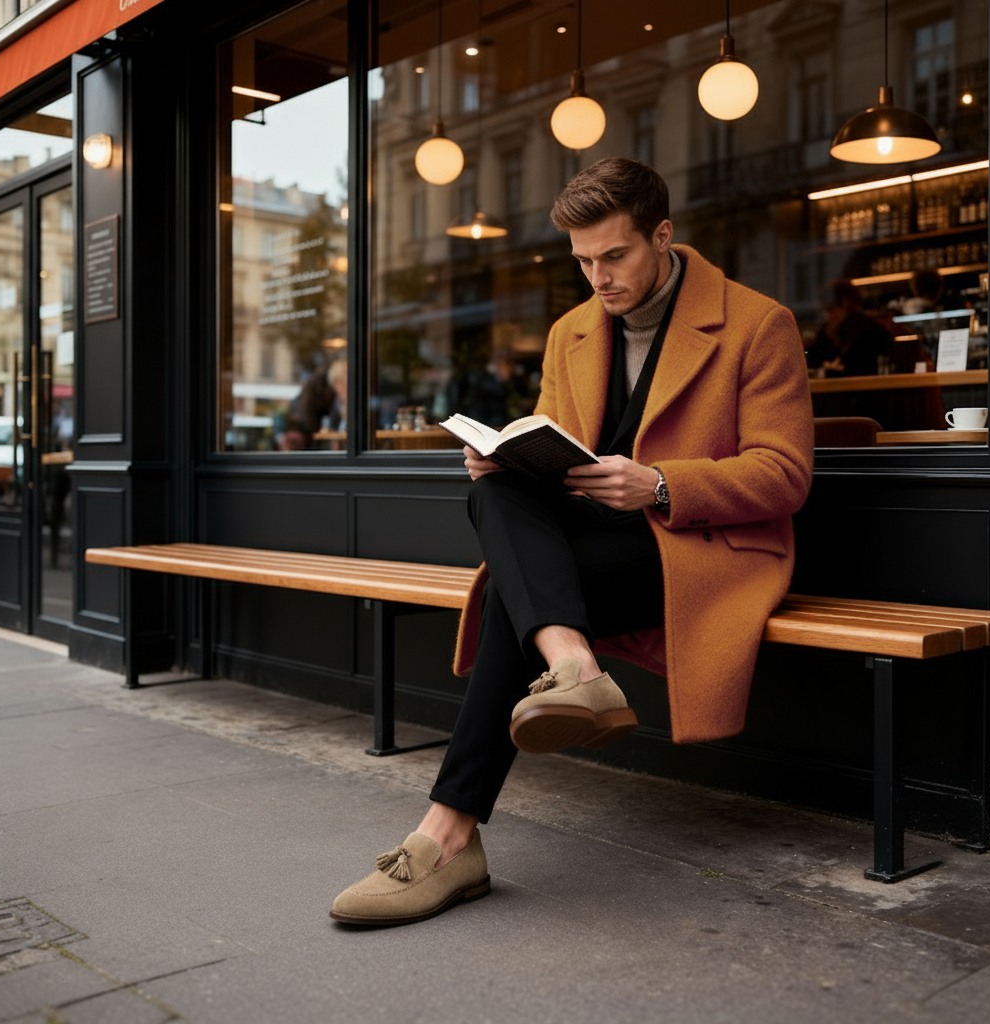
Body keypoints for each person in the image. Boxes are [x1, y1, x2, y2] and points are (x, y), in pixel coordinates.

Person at [330, 158, 814, 927]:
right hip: (592, 538)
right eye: (582, 261)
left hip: (698, 547)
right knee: (493, 487)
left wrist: (659, 483)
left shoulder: (757, 323)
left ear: (661, 235)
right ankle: (571, 663)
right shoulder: (572, 330)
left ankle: (447, 837)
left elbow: (784, 475)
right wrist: (510, 455)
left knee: (510, 603)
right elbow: (555, 444)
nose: (599, 277)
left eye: (613, 256)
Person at [806, 280, 894, 377]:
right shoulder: (828, 331)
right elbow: (813, 362)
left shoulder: (869, 331)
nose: (826, 315)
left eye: (829, 309)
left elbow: (861, 369)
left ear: (845, 303)